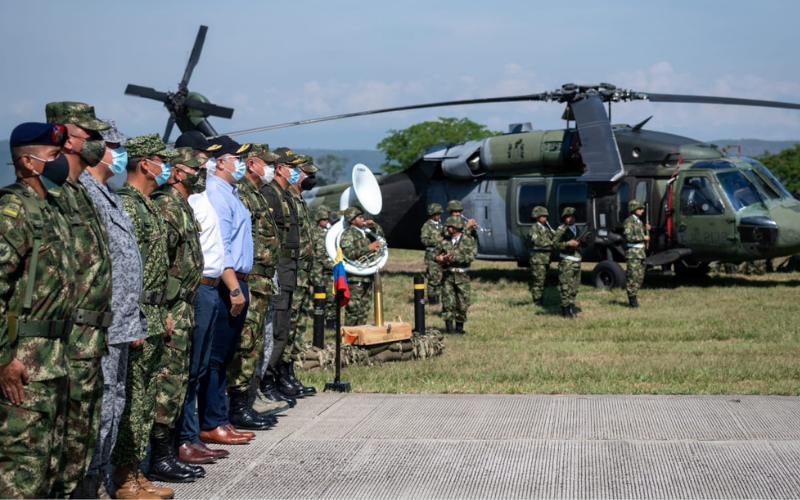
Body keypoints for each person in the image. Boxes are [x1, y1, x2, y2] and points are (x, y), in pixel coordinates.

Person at [0, 123, 76, 499]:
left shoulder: (51, 205)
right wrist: (4, 359)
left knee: (51, 465)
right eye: (54, 156)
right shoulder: (12, 210)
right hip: (24, 362)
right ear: (29, 162)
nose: (62, 162)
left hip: (56, 357)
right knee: (22, 470)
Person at [44, 102, 114, 498]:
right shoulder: (52, 194)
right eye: (91, 135)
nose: (99, 144)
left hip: (91, 333)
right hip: (62, 338)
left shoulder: (82, 192)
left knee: (83, 425)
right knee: (58, 431)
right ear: (65, 136)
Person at [81, 120, 148, 498]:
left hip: (120, 323)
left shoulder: (109, 194)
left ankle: (100, 480)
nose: (119, 153)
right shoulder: (88, 194)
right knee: (101, 406)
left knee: (115, 403)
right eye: (112, 146)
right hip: (101, 326)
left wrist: (133, 318)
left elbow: (127, 263)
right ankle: (90, 483)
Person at [111, 133, 178, 499]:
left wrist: (162, 311)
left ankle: (136, 471)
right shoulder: (129, 205)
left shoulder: (149, 204)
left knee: (146, 396)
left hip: (154, 309)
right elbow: (125, 269)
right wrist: (132, 316)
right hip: (138, 312)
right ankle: (123, 478)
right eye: (160, 159)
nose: (165, 166)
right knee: (132, 399)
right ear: (144, 163)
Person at [150, 147, 208, 482]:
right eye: (195, 169)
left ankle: (170, 451)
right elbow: (158, 265)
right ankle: (160, 456)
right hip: (172, 307)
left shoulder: (182, 205)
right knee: (166, 384)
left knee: (178, 382)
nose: (201, 175)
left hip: (185, 305)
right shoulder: (166, 206)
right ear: (176, 171)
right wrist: (164, 310)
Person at [197, 136, 257, 447]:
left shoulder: (230, 193)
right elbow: (221, 247)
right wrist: (234, 288)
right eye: (238, 158)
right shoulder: (216, 195)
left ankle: (220, 419)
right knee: (216, 358)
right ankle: (212, 422)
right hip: (227, 283)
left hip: (237, 280)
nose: (243, 164)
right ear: (220, 161)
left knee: (225, 355)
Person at [180, 135, 232, 462]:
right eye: (201, 160)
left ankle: (193, 434)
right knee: (189, 370)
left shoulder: (202, 196)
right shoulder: (185, 199)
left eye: (209, 160)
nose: (206, 166)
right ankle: (184, 439)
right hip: (197, 288)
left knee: (199, 368)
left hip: (211, 287)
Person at [226, 143, 286, 428]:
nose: (271, 169)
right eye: (267, 163)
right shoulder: (243, 195)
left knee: (255, 343)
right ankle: (237, 406)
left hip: (262, 280)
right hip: (250, 279)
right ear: (252, 164)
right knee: (245, 344)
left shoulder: (257, 195)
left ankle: (246, 401)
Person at [259, 147, 304, 406]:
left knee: (283, 328)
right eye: (292, 166)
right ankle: (266, 382)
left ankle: (272, 378)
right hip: (280, 266)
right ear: (279, 168)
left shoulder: (284, 195)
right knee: (276, 328)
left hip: (289, 268)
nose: (296, 171)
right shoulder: (271, 195)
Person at [283, 155, 318, 398]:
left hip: (303, 274)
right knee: (287, 326)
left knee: (297, 327)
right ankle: (281, 375)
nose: (310, 178)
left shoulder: (299, 200)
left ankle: (289, 373)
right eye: (306, 173)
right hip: (292, 274)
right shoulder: (288, 200)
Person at [340, 206, 385, 326]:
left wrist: (374, 226)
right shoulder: (348, 233)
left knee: (364, 310)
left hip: (367, 274)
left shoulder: (365, 232)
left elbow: (382, 238)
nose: (363, 219)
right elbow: (349, 253)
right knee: (354, 309)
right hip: (355, 277)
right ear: (352, 220)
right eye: (359, 217)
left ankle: (360, 337)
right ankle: (348, 339)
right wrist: (368, 248)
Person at [436, 216, 477, 334]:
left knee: (462, 303)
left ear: (457, 228)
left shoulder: (468, 240)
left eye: (450, 227)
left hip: (462, 276)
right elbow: (434, 254)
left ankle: (459, 328)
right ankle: (449, 329)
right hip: (448, 276)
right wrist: (438, 258)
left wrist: (455, 259)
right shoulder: (445, 241)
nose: (448, 228)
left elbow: (471, 256)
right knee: (448, 302)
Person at [553, 207, 587, 319]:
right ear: (564, 218)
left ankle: (571, 308)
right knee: (566, 287)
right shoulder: (561, 230)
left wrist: (583, 241)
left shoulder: (578, 229)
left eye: (572, 216)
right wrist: (568, 243)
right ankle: (565, 311)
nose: (570, 219)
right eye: (568, 217)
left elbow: (582, 246)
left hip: (576, 261)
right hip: (566, 262)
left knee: (574, 287)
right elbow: (555, 244)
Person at [310, 205, 336, 329]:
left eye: (327, 219)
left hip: (327, 269)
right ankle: (319, 318)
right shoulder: (314, 232)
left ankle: (330, 321)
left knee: (331, 294)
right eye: (324, 219)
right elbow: (319, 254)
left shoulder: (329, 232)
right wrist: (331, 265)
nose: (326, 221)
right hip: (318, 270)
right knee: (320, 294)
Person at [624, 200, 650, 308]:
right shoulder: (629, 222)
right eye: (640, 209)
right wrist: (643, 237)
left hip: (640, 253)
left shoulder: (639, 222)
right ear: (634, 209)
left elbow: (638, 232)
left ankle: (634, 296)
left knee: (639, 277)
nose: (642, 211)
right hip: (633, 254)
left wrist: (645, 229)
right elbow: (629, 237)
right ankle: (632, 300)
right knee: (632, 277)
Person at [527, 206, 554, 307]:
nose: (545, 218)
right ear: (537, 217)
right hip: (538, 259)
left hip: (545, 258)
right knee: (539, 281)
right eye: (543, 216)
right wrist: (550, 243)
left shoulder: (546, 228)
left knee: (543, 280)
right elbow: (537, 241)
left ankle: (541, 298)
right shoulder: (535, 228)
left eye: (546, 216)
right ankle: (537, 301)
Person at [420, 203, 443, 305]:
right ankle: (432, 300)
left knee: (439, 277)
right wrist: (438, 241)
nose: (439, 216)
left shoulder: (440, 226)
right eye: (436, 214)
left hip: (440, 254)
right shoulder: (427, 226)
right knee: (433, 278)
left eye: (439, 213)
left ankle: (437, 298)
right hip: (431, 255)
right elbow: (424, 240)